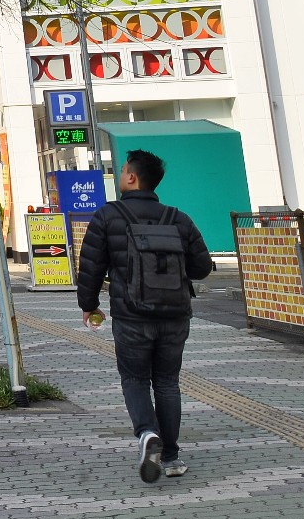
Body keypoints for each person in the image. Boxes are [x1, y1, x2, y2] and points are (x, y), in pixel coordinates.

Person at [76, 149, 214, 484]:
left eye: (122, 170)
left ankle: (148, 433)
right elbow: (202, 267)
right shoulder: (178, 218)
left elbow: (91, 267)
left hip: (131, 316)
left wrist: (89, 304)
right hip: (175, 316)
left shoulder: (108, 216)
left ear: (132, 178)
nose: (121, 174)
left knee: (135, 379)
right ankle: (171, 456)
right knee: (167, 382)